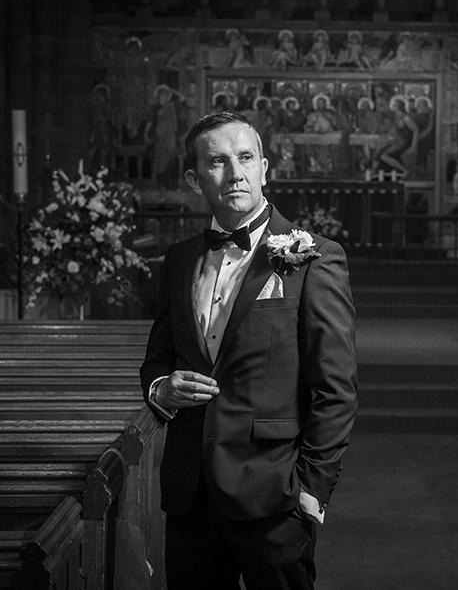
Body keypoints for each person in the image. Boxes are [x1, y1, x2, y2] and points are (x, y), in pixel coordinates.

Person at [140, 111, 358, 590]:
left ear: (264, 167)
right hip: (190, 494)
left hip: (274, 497)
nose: (235, 173)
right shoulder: (178, 260)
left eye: (245, 157)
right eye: (218, 162)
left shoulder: (313, 257)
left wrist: (310, 491)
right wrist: (161, 388)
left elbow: (336, 388)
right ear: (196, 179)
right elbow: (158, 359)